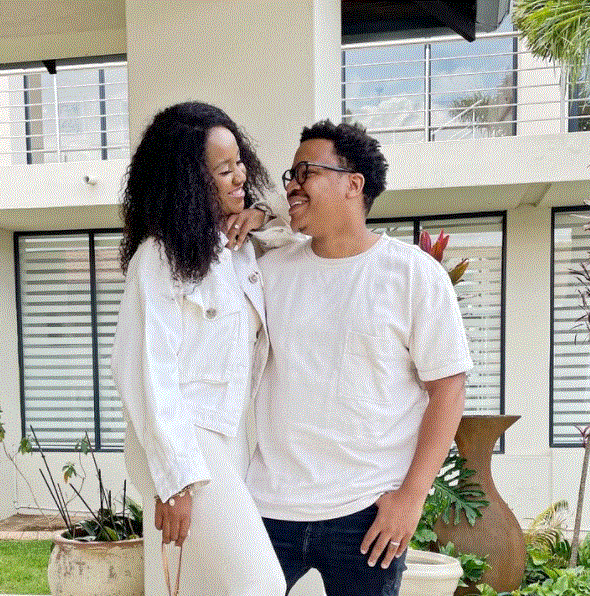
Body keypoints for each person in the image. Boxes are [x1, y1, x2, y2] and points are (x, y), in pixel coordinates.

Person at [246, 120, 473, 596]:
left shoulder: (413, 275)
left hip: (366, 513)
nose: (292, 185)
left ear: (353, 185)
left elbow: (448, 390)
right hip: (268, 507)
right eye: (290, 175)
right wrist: (255, 217)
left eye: (306, 172)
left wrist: (411, 498)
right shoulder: (267, 273)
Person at [111, 101, 286, 596]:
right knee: (262, 585)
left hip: (230, 438)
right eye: (224, 170)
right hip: (187, 438)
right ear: (188, 181)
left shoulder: (237, 248)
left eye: (240, 162)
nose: (241, 176)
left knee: (198, 587)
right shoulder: (160, 256)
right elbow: (147, 371)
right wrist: (176, 480)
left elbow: (301, 224)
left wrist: (260, 213)